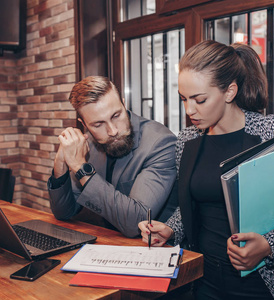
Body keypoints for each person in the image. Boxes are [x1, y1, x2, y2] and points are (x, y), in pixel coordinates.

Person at [138, 40, 274, 299]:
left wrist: (269, 246)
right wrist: (171, 229)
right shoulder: (187, 141)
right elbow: (192, 206)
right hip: (204, 278)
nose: (189, 110)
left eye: (200, 99)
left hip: (266, 282)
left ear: (229, 92)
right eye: (184, 99)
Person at [47, 76, 177, 238]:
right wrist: (61, 163)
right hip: (104, 243)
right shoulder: (89, 143)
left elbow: (136, 223)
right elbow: (64, 212)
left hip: (149, 250)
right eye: (98, 124)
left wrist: (82, 169)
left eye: (116, 115)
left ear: (123, 103)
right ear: (84, 123)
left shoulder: (160, 142)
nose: (113, 131)